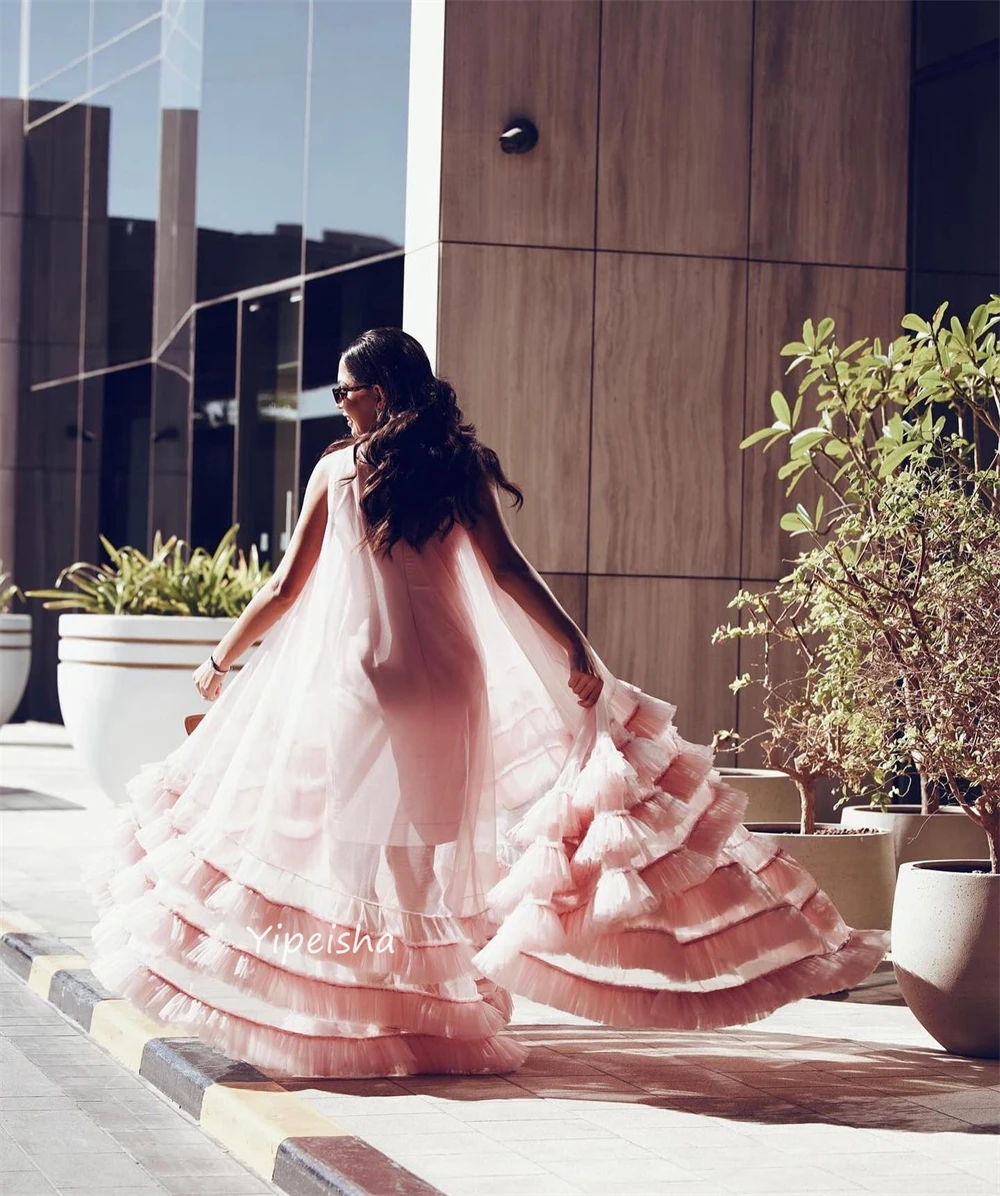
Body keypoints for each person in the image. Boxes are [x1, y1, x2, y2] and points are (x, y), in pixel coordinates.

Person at [83, 328, 889, 1080]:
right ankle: (434, 1009)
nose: (338, 406)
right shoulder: (456, 467)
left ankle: (379, 1008)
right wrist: (574, 645)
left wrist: (221, 657)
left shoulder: (337, 471)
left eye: (343, 392)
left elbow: (285, 586)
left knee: (360, 851)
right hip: (451, 683)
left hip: (372, 681)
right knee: (427, 852)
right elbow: (510, 572)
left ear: (375, 392)